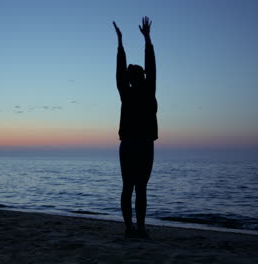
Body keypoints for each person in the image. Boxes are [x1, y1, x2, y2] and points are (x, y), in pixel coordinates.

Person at [113, 17, 157, 238]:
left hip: (132, 144)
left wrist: (121, 43)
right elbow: (150, 65)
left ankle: (132, 227)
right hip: (140, 144)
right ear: (142, 76)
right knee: (138, 188)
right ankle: (137, 227)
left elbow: (123, 70)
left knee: (130, 187)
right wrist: (146, 39)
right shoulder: (145, 89)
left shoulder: (127, 91)